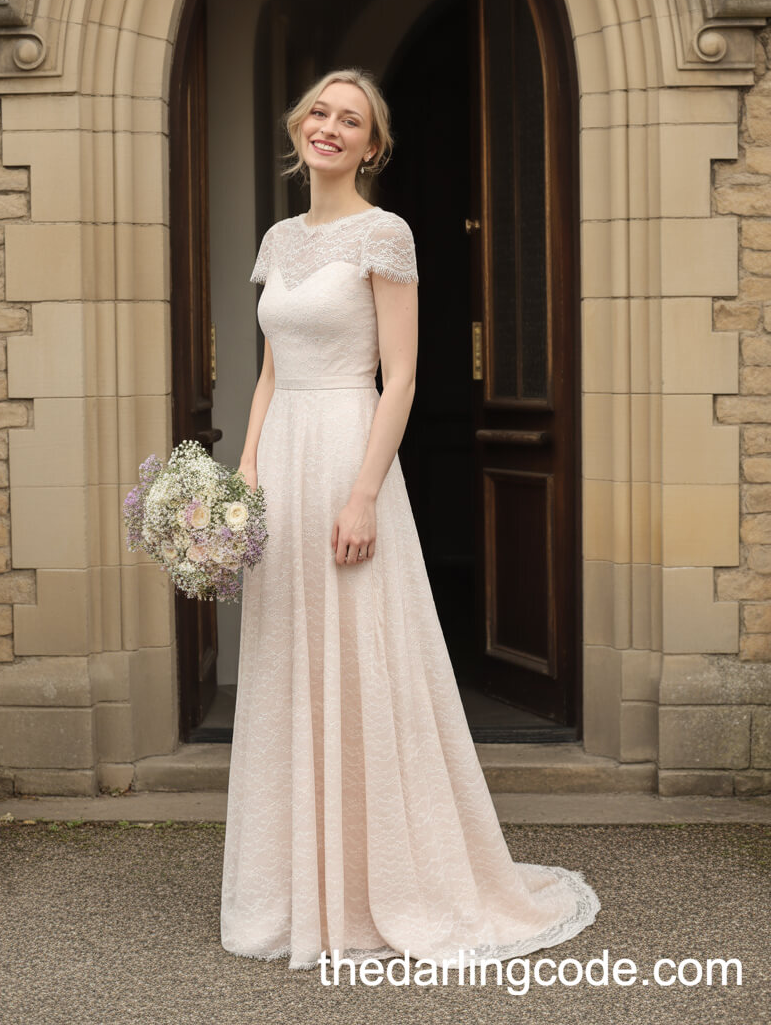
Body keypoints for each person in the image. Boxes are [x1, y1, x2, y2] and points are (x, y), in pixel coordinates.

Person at [220, 67, 601, 972]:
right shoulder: (278, 240)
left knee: (363, 660)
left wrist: (361, 494)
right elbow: (270, 372)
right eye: (320, 110)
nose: (331, 126)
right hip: (283, 459)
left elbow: (405, 377)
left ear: (371, 145)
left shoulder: (385, 235)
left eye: (351, 120)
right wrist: (242, 476)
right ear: (299, 123)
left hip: (351, 450)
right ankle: (295, 887)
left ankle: (378, 887)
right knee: (289, 667)